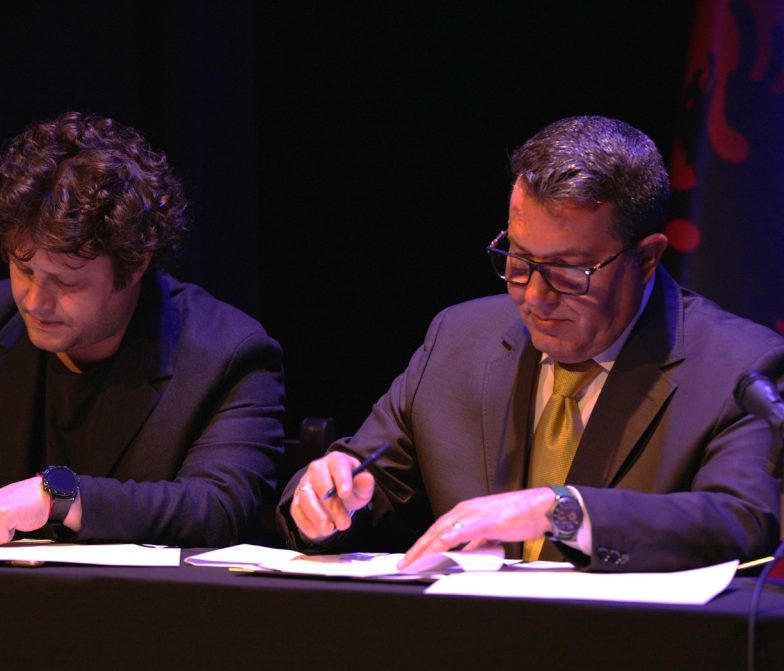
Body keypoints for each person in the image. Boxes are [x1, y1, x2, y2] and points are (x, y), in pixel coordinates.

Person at [280, 115, 783, 572]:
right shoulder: (458, 339)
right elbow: (370, 484)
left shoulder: (740, 367)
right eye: (519, 260)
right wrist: (327, 501)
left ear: (647, 258)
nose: (535, 297)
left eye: (568, 271)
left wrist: (559, 509)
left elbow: (740, 522)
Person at [0, 112, 284, 547]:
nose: (35, 301)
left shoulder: (226, 353)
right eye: (24, 269)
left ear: (134, 266)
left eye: (66, 283)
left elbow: (218, 507)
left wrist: (56, 495)